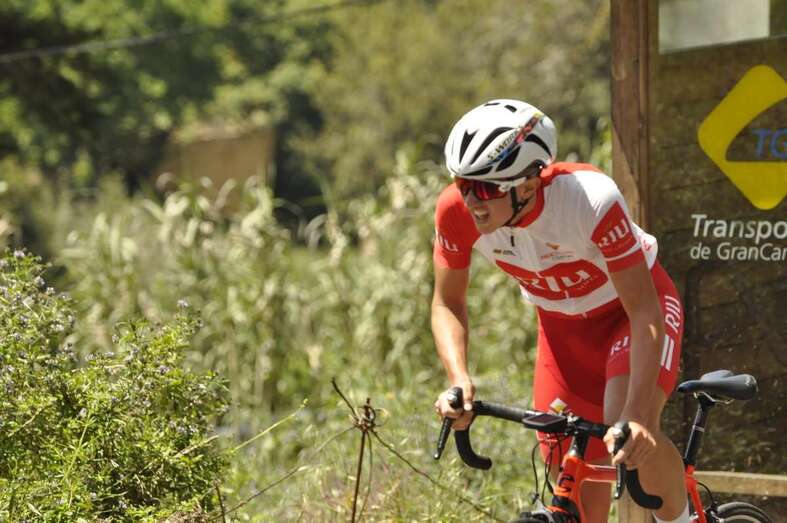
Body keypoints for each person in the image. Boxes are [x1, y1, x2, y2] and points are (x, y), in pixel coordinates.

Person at [432, 99, 689, 523]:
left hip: (630, 317)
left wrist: (640, 416)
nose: (473, 201)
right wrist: (459, 379)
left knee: (625, 433)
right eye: (464, 184)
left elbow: (643, 309)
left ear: (530, 184)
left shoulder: (589, 199)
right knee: (567, 469)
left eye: (488, 188)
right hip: (561, 334)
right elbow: (447, 302)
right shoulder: (455, 212)